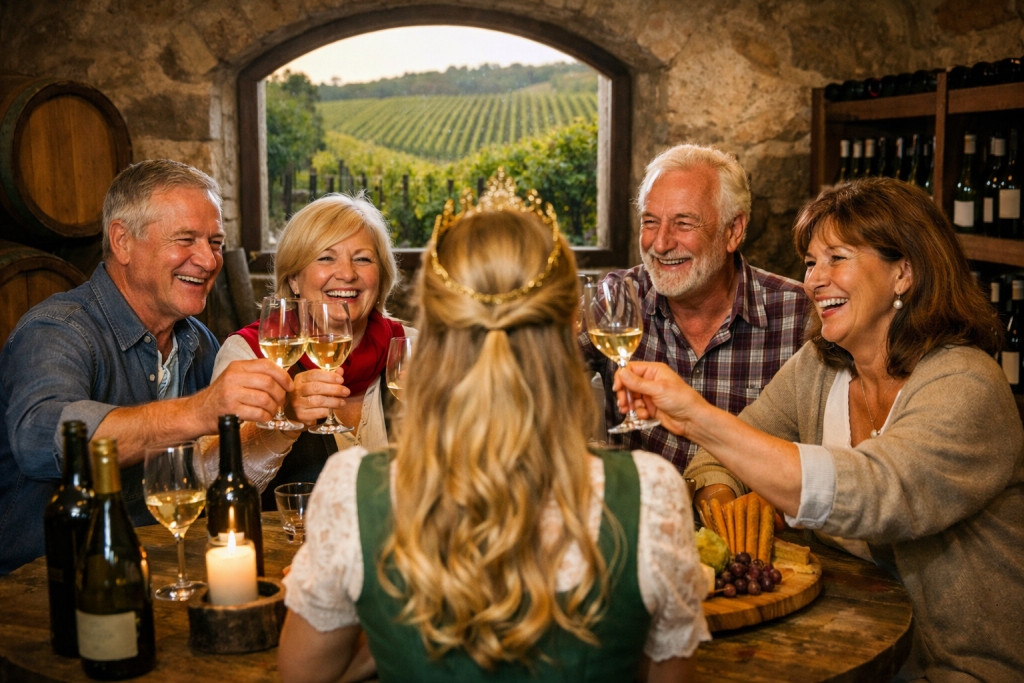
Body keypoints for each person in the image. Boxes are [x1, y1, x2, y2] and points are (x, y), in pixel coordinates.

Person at [277, 175, 710, 683]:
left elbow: (302, 676)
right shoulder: (653, 493)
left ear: (433, 329)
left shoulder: (353, 492)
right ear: (570, 323)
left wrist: (381, 620)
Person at [616, 178, 1024, 682]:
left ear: (905, 272)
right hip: (845, 639)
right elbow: (721, 457)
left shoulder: (966, 384)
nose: (814, 280)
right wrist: (727, 510)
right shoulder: (822, 366)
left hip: (953, 667)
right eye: (811, 263)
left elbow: (874, 492)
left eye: (837, 258)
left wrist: (698, 417)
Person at [0, 159, 293, 575]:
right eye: (186, 239)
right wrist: (198, 411)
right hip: (44, 585)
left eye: (214, 242)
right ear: (122, 241)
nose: (208, 261)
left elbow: (207, 473)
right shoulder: (59, 330)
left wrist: (287, 418)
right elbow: (41, 437)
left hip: (156, 571)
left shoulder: (196, 340)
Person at [580, 144, 809, 476]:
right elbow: (537, 375)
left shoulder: (799, 315)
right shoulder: (619, 300)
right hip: (642, 522)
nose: (660, 244)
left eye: (683, 223)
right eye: (650, 221)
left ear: (733, 231)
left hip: (746, 525)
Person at [205, 193, 410, 508]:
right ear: (294, 279)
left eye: (363, 258)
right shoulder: (249, 354)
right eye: (326, 257)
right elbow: (212, 480)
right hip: (292, 552)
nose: (347, 273)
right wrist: (285, 420)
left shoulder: (413, 348)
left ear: (380, 277)